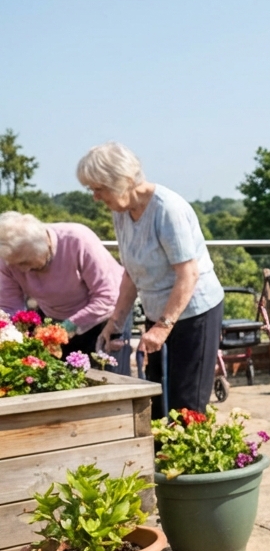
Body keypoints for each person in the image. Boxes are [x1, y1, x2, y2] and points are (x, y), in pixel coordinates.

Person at [77, 142, 225, 419]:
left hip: (195, 312)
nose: (95, 197)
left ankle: (190, 461)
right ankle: (160, 458)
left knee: (186, 403)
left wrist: (162, 328)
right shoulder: (121, 212)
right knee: (158, 397)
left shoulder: (167, 209)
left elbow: (188, 274)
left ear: (123, 181)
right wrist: (115, 322)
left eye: (99, 188)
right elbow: (131, 273)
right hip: (159, 312)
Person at [0, 211, 127, 362]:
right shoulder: (9, 257)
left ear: (46, 245)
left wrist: (70, 326)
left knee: (105, 374)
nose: (23, 270)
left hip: (108, 313)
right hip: (55, 316)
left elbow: (108, 296)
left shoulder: (77, 240)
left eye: (25, 263)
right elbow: (9, 308)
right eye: (15, 264)